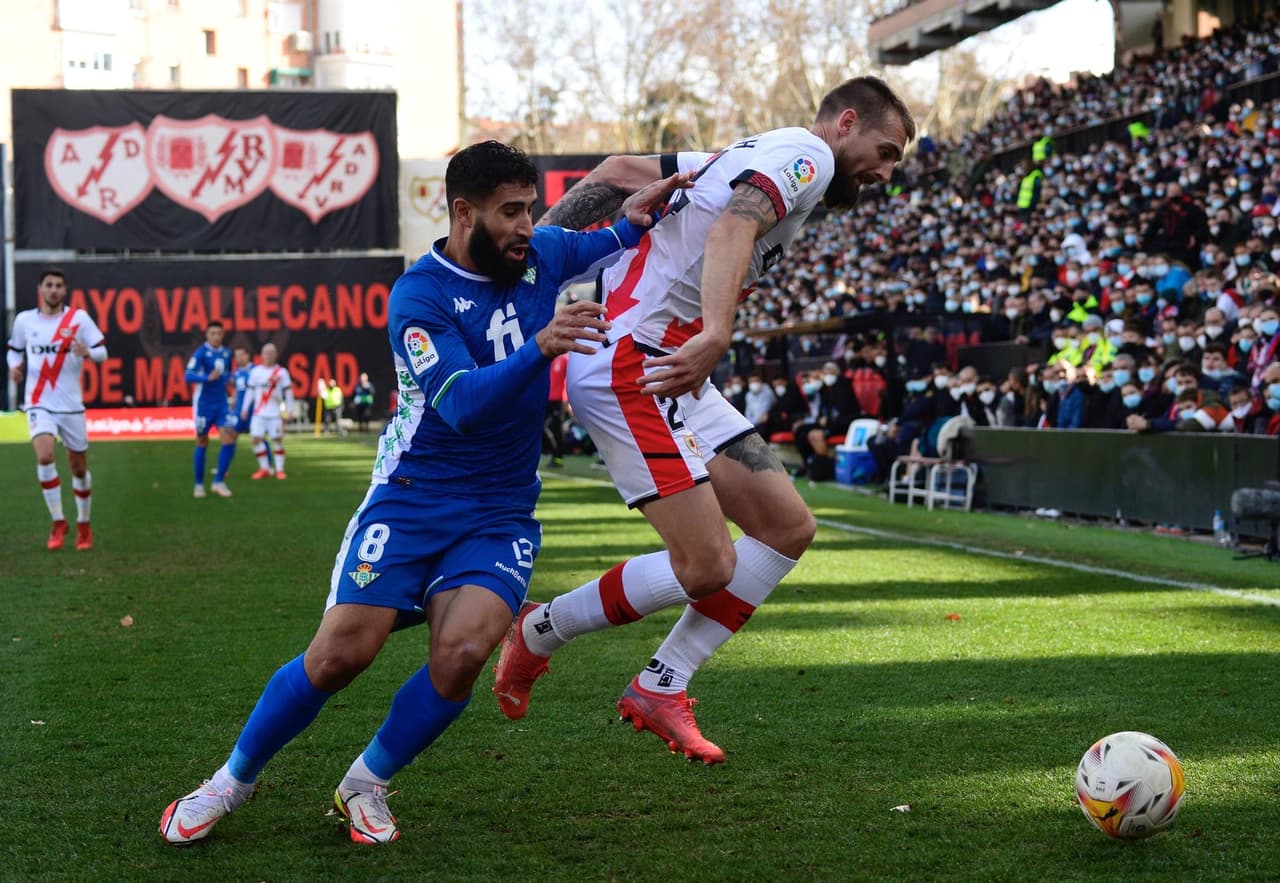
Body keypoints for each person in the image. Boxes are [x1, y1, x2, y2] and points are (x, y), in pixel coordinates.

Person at [157, 140, 688, 846]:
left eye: (529, 208)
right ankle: (230, 779)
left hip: (499, 509)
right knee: (341, 654)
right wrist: (542, 347)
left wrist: (635, 218)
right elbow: (461, 403)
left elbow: (605, 240)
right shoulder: (419, 294)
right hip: (411, 496)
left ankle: (366, 780)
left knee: (464, 651)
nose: (527, 225)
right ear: (463, 211)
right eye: (510, 212)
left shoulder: (542, 255)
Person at [491, 76, 915, 762]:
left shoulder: (754, 151)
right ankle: (540, 629)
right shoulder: (809, 158)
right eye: (885, 150)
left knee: (785, 526)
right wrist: (718, 329)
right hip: (636, 361)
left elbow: (616, 173)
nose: (887, 171)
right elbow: (732, 222)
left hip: (670, 367)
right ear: (844, 123)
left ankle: (662, 682)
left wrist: (534, 256)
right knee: (709, 563)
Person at [5, 267, 106, 551]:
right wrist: (14, 367)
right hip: (39, 402)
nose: (53, 290)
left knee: (78, 467)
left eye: (58, 285)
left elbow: (102, 351)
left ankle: (84, 524)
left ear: (64, 290)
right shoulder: (25, 321)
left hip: (71, 406)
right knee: (45, 455)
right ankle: (58, 521)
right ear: (40, 288)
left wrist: (88, 352)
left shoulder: (78, 319)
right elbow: (14, 349)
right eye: (48, 285)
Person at [185, 321, 236, 498]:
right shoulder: (200, 353)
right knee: (202, 441)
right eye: (213, 333)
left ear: (223, 335)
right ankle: (198, 484)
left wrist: (232, 379)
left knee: (229, 437)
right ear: (207, 335)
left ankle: (219, 481)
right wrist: (208, 377)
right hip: (203, 405)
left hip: (221, 403)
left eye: (219, 333)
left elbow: (227, 374)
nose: (216, 336)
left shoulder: (227, 353)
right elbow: (188, 376)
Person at [242, 343, 296, 480]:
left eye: (272, 353)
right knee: (255, 439)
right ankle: (264, 468)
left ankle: (279, 470)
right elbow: (249, 392)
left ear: (276, 355)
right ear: (262, 355)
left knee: (277, 440)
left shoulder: (281, 372)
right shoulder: (255, 372)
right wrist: (244, 408)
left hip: (275, 413)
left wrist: (289, 410)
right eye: (266, 353)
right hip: (258, 412)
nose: (269, 355)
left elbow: (288, 393)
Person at [543, 352, 568, 467]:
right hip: (548, 399)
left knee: (555, 428)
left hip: (559, 400)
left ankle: (558, 457)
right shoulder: (552, 359)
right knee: (543, 427)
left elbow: (568, 381)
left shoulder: (566, 359)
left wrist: (567, 402)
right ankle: (554, 452)